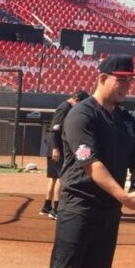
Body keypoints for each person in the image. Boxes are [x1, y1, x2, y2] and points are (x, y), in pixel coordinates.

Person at [48, 54, 135, 268]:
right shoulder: (81, 115)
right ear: (102, 78)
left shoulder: (128, 121)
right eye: (121, 80)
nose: (127, 86)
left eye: (130, 81)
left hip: (109, 211)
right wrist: (124, 196)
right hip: (79, 206)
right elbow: (91, 165)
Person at [39, 89, 89, 220]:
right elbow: (55, 129)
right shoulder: (65, 108)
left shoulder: (64, 107)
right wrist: (56, 148)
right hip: (57, 149)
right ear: (77, 100)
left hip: (55, 148)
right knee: (62, 178)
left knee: (54, 178)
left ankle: (46, 206)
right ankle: (56, 210)